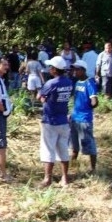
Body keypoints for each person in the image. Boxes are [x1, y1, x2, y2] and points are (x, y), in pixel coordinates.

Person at [37, 56, 74, 187]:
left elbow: (40, 97)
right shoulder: (69, 82)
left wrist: (43, 99)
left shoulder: (50, 83)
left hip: (50, 120)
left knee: (48, 149)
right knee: (63, 149)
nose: (49, 69)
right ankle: (65, 178)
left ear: (54, 69)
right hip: (63, 120)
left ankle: (47, 179)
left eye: (51, 67)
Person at [69, 60, 98, 173]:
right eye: (74, 69)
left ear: (83, 70)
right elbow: (75, 99)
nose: (75, 72)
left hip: (84, 118)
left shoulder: (89, 82)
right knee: (74, 144)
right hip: (75, 117)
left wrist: (90, 104)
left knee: (88, 143)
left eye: (77, 69)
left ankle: (93, 168)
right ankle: (73, 164)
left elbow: (94, 101)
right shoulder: (77, 83)